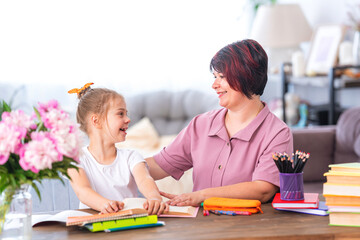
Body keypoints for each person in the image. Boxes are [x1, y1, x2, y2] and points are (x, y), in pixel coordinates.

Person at [146, 39, 293, 206]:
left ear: (247, 77)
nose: (214, 85)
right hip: (203, 226)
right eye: (215, 76)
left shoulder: (278, 133)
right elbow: (159, 165)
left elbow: (263, 189)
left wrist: (202, 195)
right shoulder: (201, 124)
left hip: (250, 227)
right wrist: (119, 163)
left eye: (221, 77)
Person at [67, 83, 168, 215]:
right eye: (120, 114)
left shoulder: (131, 156)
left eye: (126, 114)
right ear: (96, 121)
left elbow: (145, 179)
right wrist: (104, 204)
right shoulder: (76, 159)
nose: (128, 119)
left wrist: (154, 197)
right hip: (93, 228)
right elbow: (83, 190)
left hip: (129, 225)